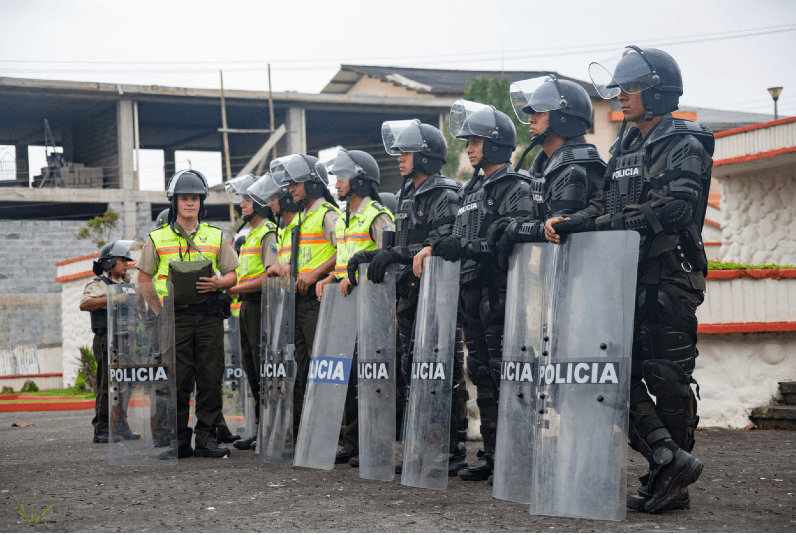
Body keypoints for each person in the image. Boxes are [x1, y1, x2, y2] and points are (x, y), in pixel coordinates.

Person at [551, 46, 714, 514]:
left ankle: (671, 485)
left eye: (631, 87)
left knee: (668, 379)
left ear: (657, 91)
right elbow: (604, 206)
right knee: (618, 377)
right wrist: (571, 221)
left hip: (669, 278)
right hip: (625, 276)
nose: (621, 96)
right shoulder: (625, 146)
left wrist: (597, 225)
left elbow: (675, 208)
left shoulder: (685, 140)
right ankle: (668, 461)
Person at [432, 101, 534, 482]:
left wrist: (468, 248)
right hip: (471, 292)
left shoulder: (515, 186)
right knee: (481, 374)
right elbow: (460, 237)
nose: (469, 149)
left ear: (495, 144)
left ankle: (515, 453)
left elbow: (518, 240)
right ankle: (491, 453)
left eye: (475, 142)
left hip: (501, 292)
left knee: (504, 372)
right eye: (468, 142)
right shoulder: (471, 189)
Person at [363, 119, 464, 475]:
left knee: (441, 368)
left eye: (406, 153)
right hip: (410, 294)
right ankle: (423, 442)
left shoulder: (444, 192)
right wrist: (373, 255)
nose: (400, 159)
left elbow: (445, 240)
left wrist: (396, 255)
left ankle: (452, 447)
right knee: (413, 370)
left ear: (425, 156)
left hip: (435, 296)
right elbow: (403, 244)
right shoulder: (407, 193)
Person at [137, 170, 239, 459]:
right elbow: (144, 280)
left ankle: (206, 438)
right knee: (177, 380)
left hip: (208, 318)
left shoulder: (216, 236)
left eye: (195, 198)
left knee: (210, 377)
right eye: (184, 198)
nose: (190, 203)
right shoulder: (157, 238)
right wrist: (160, 313)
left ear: (202, 202)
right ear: (174, 202)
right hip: (175, 318)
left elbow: (232, 274)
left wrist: (220, 282)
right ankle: (179, 440)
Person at [315, 148, 395, 465]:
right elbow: (346, 261)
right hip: (348, 304)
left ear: (360, 180)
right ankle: (352, 442)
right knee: (348, 374)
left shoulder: (378, 215)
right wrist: (331, 279)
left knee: (371, 376)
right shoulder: (347, 216)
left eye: (343, 176)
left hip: (373, 306)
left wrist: (357, 279)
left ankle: (372, 443)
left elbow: (387, 263)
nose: (337, 182)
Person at [487, 75, 605, 268]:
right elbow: (542, 220)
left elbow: (559, 228)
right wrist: (512, 222)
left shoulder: (575, 164)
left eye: (539, 112)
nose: (531, 119)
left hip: (581, 272)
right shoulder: (545, 166)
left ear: (563, 117)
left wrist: (513, 230)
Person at [266, 154, 341, 444]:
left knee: (321, 366)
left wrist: (314, 275)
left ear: (312, 184)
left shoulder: (328, 214)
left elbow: (342, 251)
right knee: (304, 366)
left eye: (297, 183)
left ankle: (326, 436)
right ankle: (305, 434)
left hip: (318, 299)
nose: (291, 188)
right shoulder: (302, 217)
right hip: (298, 301)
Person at [223, 174, 279, 451]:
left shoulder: (268, 231)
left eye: (247, 200)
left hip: (260, 305)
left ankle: (268, 430)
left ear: (259, 202)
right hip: (246, 307)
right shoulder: (249, 234)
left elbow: (269, 276)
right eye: (242, 200)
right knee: (251, 369)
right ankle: (259, 429)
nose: (242, 205)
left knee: (262, 368)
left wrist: (237, 289)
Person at [80, 240, 141, 444]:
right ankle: (103, 428)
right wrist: (112, 299)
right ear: (110, 262)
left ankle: (121, 426)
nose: (126, 264)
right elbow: (85, 303)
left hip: (127, 339)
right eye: (123, 260)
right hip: (108, 339)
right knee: (109, 384)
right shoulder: (98, 285)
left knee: (126, 384)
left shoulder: (127, 287)